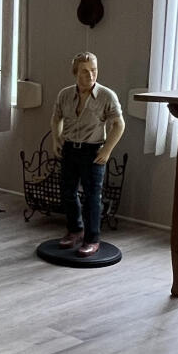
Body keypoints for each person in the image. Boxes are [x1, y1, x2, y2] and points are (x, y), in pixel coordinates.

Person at [51, 51, 125, 256]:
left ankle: (92, 239)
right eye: (85, 72)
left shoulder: (106, 96)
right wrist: (56, 139)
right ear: (75, 73)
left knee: (93, 196)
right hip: (69, 148)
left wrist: (107, 150)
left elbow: (119, 124)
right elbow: (56, 118)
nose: (90, 75)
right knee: (67, 192)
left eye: (94, 70)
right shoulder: (64, 94)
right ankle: (75, 230)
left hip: (93, 151)